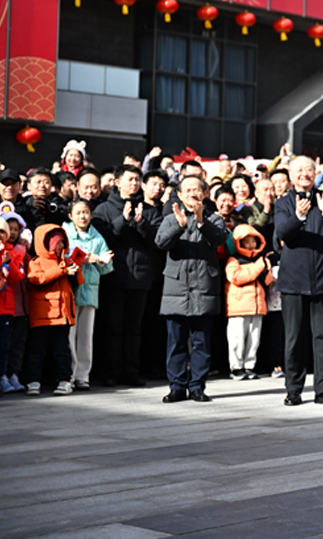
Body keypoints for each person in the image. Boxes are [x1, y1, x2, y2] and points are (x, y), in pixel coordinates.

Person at [274, 156, 323, 405]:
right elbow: (283, 233)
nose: (304, 174)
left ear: (316, 173)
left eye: (309, 169)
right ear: (291, 174)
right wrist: (297, 217)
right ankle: (294, 389)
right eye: (299, 170)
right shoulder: (283, 202)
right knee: (294, 338)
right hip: (294, 280)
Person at [156, 175, 230, 403]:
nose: (192, 194)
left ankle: (197, 385)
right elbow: (160, 243)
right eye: (187, 190)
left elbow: (219, 239)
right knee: (176, 341)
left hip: (203, 288)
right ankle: (177, 386)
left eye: (196, 190)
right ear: (179, 194)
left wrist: (200, 222)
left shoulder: (214, 219)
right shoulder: (170, 218)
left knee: (201, 341)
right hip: (176, 288)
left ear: (204, 193)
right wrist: (179, 227)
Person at [91, 165, 162, 387]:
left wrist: (141, 224)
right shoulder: (104, 209)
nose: (134, 183)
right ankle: (111, 372)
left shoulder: (149, 208)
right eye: (130, 179)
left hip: (140, 278)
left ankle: (132, 371)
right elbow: (101, 239)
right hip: (113, 277)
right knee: (113, 328)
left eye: (137, 179)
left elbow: (157, 241)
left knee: (134, 329)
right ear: (118, 182)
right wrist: (122, 220)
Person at [24, 224, 83, 396]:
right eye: (57, 242)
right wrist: (61, 270)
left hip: (63, 315)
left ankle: (65, 380)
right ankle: (33, 381)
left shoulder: (66, 260)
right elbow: (36, 279)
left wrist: (75, 270)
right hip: (43, 315)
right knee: (37, 350)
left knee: (62, 350)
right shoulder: (36, 262)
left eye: (62, 242)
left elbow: (79, 281)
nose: (60, 246)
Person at [63, 201, 114, 390]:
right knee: (69, 335)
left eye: (86, 212)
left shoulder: (97, 237)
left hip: (90, 291)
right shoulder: (65, 233)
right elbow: (62, 258)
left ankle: (83, 376)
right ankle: (68, 374)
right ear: (70, 216)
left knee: (86, 336)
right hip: (70, 290)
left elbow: (106, 268)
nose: (82, 216)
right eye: (78, 213)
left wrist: (103, 262)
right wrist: (86, 258)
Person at [225, 224, 273, 380]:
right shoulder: (233, 260)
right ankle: (236, 367)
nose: (251, 245)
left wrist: (268, 268)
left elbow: (266, 281)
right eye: (247, 241)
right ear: (239, 243)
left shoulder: (260, 260)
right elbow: (237, 278)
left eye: (254, 241)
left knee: (254, 338)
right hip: (239, 306)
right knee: (237, 338)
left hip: (258, 305)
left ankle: (249, 365)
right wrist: (259, 266)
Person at [0, 219, 26, 394]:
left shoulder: (14, 253)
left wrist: (7, 261)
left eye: (2, 232)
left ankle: (2, 376)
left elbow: (17, 277)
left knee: (3, 345)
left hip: (6, 307)